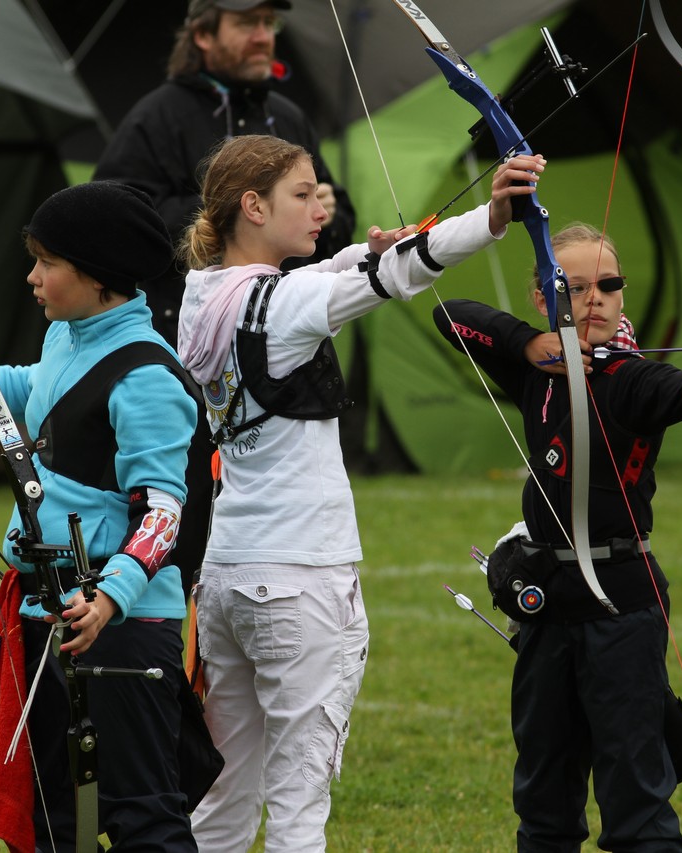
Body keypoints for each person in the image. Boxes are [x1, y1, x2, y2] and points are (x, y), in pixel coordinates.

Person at [175, 133, 540, 851]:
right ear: (253, 206)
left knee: (222, 803)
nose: (322, 206)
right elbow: (396, 276)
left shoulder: (202, 295)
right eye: (303, 195)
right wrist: (492, 216)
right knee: (298, 806)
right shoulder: (285, 303)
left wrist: (371, 251)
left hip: (226, 578)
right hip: (300, 580)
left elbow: (335, 275)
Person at [431, 223, 682, 851]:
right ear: (544, 297)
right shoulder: (536, 371)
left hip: (620, 608)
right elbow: (450, 315)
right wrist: (534, 345)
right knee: (543, 800)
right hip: (547, 608)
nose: (594, 298)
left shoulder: (634, 380)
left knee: (636, 807)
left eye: (608, 285)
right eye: (573, 286)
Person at [0, 182, 199, 851]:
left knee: (142, 814)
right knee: (56, 815)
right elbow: (31, 388)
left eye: (46, 262)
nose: (31, 276)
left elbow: (165, 511)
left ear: (98, 275)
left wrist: (110, 594)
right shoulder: (70, 334)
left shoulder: (146, 374)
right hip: (45, 611)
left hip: (120, 627)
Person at [94, 0, 356, 594]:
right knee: (177, 513)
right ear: (204, 35)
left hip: (280, 361)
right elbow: (115, 213)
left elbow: (330, 223)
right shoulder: (157, 116)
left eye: (270, 24)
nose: (264, 36)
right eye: (248, 24)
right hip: (185, 355)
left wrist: (330, 213)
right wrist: (231, 216)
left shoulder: (287, 114)